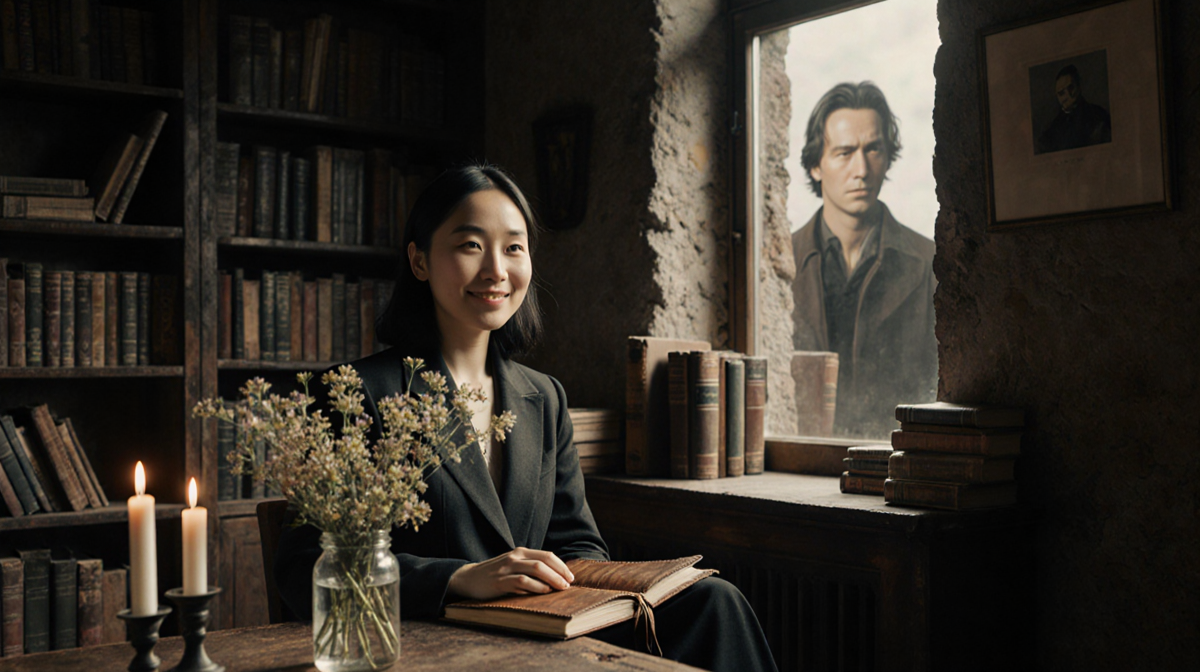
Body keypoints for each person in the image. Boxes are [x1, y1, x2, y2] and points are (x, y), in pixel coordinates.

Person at [275, 162, 777, 672]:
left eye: (514, 247)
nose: (496, 270)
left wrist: (582, 588)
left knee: (716, 602)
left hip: (542, 629)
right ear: (420, 261)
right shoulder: (356, 394)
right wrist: (459, 576)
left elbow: (579, 542)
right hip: (434, 641)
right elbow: (303, 567)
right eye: (470, 245)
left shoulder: (543, 396)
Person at [792, 82, 936, 439]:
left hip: (895, 462)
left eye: (873, 150)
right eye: (844, 153)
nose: (861, 169)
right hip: (798, 457)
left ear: (887, 158)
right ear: (815, 166)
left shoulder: (931, 263)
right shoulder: (778, 262)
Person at [1035, 64, 1112, 154]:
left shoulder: (1099, 116)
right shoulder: (1052, 129)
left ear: (1079, 86)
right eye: (1061, 93)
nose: (1068, 95)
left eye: (1071, 88)